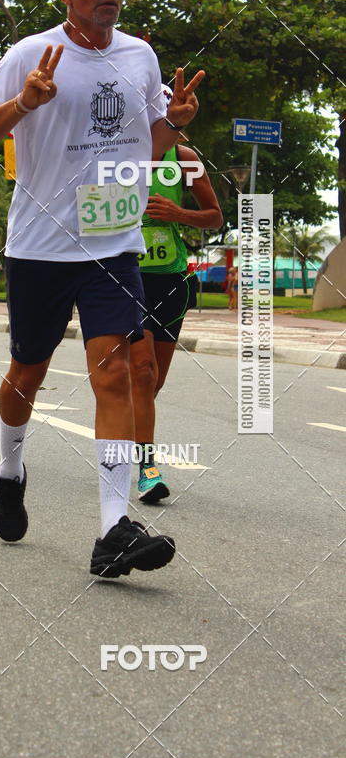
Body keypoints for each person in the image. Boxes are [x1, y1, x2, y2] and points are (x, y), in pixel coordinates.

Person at [0, 0, 204, 579]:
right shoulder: (31, 53)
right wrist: (24, 104)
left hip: (113, 243)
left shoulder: (140, 56)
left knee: (116, 372)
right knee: (28, 372)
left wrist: (175, 124)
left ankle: (113, 530)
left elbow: (145, 147)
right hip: (41, 246)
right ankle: (10, 469)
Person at [131, 86, 223, 503]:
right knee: (142, 372)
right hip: (125, 276)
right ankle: (147, 469)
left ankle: (127, 432)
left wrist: (178, 213)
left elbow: (214, 217)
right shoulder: (118, 155)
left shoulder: (184, 159)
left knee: (153, 382)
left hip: (170, 279)